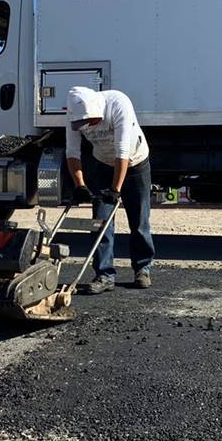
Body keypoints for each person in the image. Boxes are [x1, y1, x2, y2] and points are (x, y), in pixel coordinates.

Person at [65, 86, 155, 293]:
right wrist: (80, 185)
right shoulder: (72, 116)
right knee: (101, 222)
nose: (88, 126)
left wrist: (115, 190)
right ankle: (104, 274)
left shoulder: (118, 103)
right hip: (103, 163)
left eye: (92, 121)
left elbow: (122, 150)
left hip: (134, 162)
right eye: (84, 123)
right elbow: (72, 153)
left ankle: (143, 269)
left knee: (139, 219)